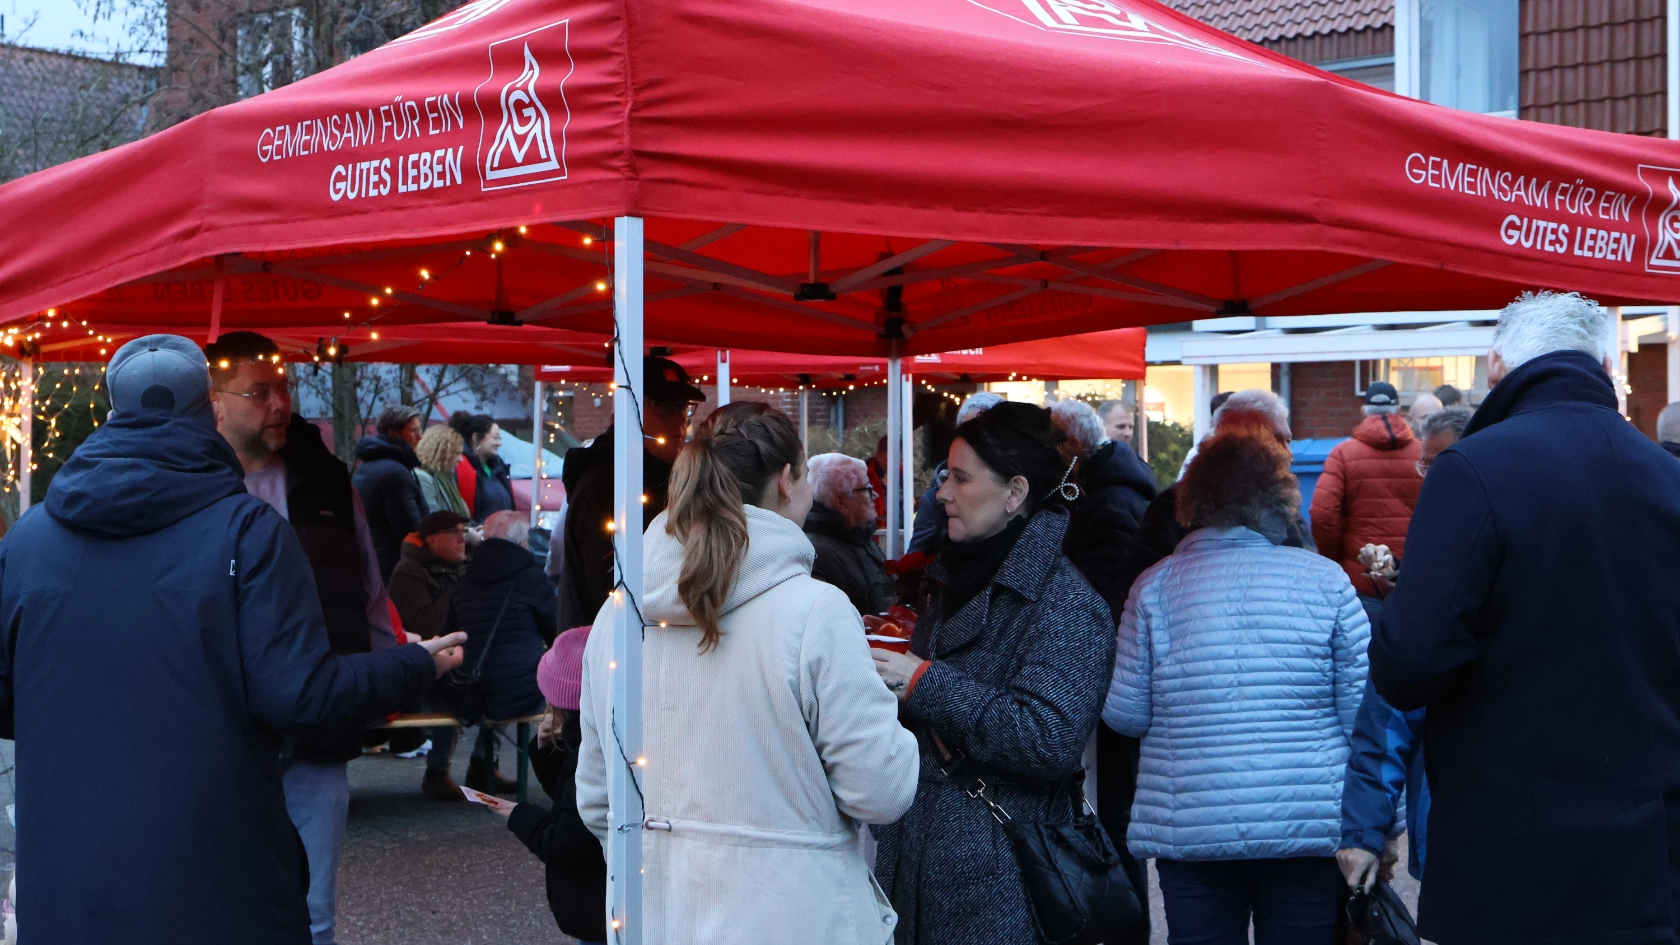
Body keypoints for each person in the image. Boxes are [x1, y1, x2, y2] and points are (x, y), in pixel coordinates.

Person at [0, 334, 465, 945]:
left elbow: (8, 702)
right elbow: (300, 695)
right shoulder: (248, 531)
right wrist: (413, 664)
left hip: (67, 884)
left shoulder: (28, 541)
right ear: (208, 412)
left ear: (112, 413)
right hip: (214, 879)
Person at [1371, 291, 1680, 945]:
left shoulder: (1472, 470)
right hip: (1651, 860)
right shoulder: (1666, 477)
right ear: (1605, 366)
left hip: (1511, 859)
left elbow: (1409, 662)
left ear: (1495, 366)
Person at [575, 405, 919, 944]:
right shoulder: (816, 612)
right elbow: (880, 790)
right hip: (803, 919)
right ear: (786, 480)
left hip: (659, 917)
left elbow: (599, 798)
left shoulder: (617, 616)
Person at [1105, 427, 1368, 944]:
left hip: (1192, 828)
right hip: (1307, 826)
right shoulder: (1327, 580)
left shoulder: (1153, 587)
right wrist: (1380, 827)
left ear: (1193, 500)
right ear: (1279, 501)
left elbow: (1126, 715)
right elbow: (1362, 715)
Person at [870, 402, 1116, 944]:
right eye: (945, 476)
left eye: (960, 479)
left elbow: (1048, 739)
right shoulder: (955, 578)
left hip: (1004, 876)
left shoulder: (1066, 603)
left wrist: (922, 681)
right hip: (920, 867)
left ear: (1014, 492)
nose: (942, 493)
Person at [205, 330, 413, 945]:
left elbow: (368, 591)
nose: (279, 405)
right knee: (214, 902)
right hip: (218, 732)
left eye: (284, 389)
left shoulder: (326, 483)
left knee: (313, 914)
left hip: (315, 724)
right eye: (259, 392)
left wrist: (378, 687)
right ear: (215, 402)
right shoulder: (188, 487)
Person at [1336, 406, 1470, 895]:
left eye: (1436, 465)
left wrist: (1366, 832)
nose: (1427, 476)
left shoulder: (1345, 455)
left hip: (1462, 821)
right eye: (1425, 465)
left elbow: (1324, 517)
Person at [1047, 396, 1157, 945]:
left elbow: (1103, 601)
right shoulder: (1103, 489)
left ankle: (1128, 928)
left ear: (1072, 444)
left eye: (1052, 442)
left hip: (1112, 680)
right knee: (1112, 809)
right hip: (1111, 675)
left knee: (1113, 812)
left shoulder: (1108, 499)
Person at [480, 627, 608, 945]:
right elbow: (569, 802)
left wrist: (518, 815)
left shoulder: (591, 754)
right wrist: (548, 750)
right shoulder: (600, 737)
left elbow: (567, 843)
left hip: (601, 906)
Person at [558, 356, 705, 628]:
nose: (679, 420)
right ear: (631, 407)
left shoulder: (659, 476)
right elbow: (615, 592)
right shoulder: (609, 486)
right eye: (665, 408)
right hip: (610, 644)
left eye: (684, 408)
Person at [451, 510, 558, 795]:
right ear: (523, 542)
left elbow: (450, 630)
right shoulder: (531, 577)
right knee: (551, 685)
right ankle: (564, 775)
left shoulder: (465, 577)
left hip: (469, 688)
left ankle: (481, 764)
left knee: (501, 681)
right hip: (518, 690)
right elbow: (556, 633)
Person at [1309, 380, 1421, 607]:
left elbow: (1322, 515)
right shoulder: (1423, 454)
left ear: (1363, 411)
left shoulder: (1342, 454)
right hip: (1414, 576)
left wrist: (1334, 559)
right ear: (1398, 409)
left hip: (1359, 577)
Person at [388, 510, 473, 801]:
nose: (463, 539)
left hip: (453, 658)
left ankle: (485, 763)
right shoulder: (409, 572)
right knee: (458, 694)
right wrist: (460, 587)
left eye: (464, 532)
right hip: (423, 667)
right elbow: (425, 626)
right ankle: (438, 772)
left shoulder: (458, 566)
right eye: (455, 533)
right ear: (433, 540)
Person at [907, 391, 1001, 554]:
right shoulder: (935, 501)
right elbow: (915, 562)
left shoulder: (1024, 494)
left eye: (983, 432)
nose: (973, 440)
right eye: (966, 432)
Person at [804, 452, 896, 615]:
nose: (875, 495)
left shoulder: (859, 536)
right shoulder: (816, 553)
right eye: (867, 489)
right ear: (840, 501)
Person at [353, 404, 427, 582]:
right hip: (395, 569)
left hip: (371, 563)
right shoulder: (396, 474)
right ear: (394, 433)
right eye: (414, 431)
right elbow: (409, 529)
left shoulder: (366, 466)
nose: (420, 436)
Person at [449, 411, 514, 523]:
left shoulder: (498, 468)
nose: (499, 443)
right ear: (476, 438)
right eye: (495, 438)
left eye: (499, 438)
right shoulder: (459, 467)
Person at [414, 422, 471, 516]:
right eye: (457, 453)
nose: (461, 459)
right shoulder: (423, 478)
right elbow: (433, 518)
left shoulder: (447, 477)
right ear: (442, 453)